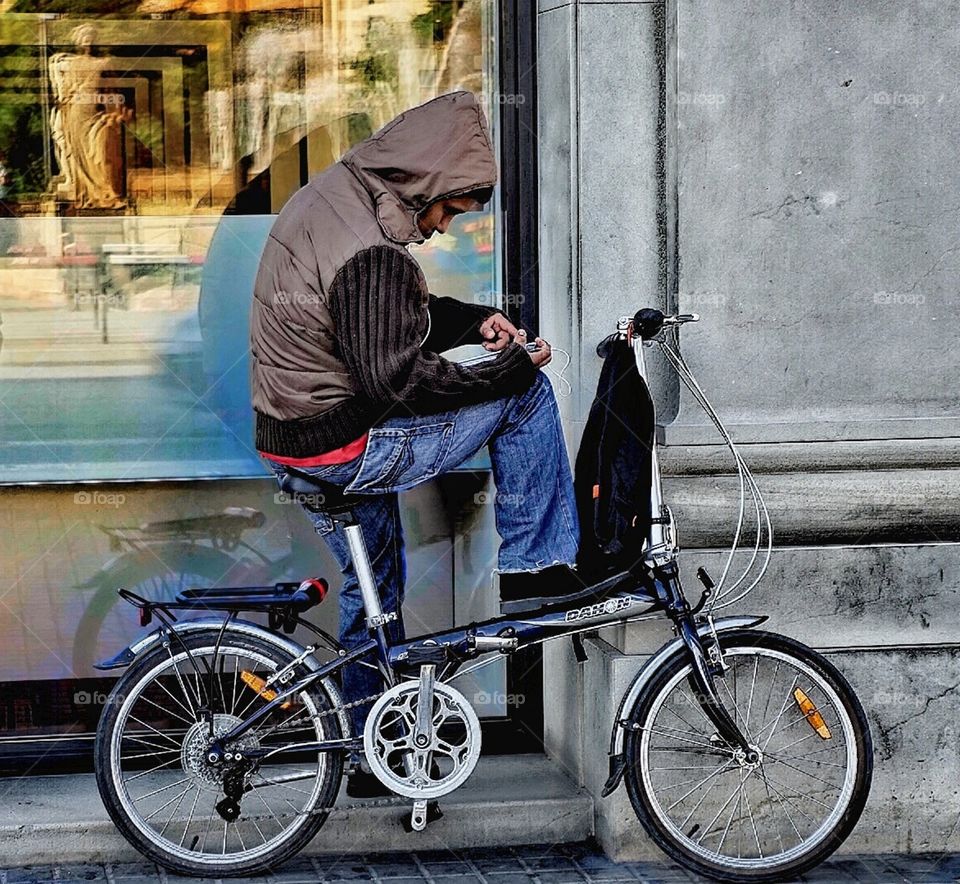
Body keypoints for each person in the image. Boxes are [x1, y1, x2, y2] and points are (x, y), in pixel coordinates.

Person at [250, 91, 583, 789]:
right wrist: (504, 369)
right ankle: (540, 570)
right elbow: (396, 382)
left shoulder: (335, 198)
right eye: (449, 211)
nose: (442, 229)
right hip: (341, 443)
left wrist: (476, 321)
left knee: (375, 591)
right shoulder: (373, 252)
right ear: (429, 185)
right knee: (524, 394)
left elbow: (383, 324)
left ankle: (371, 749)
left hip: (295, 439)